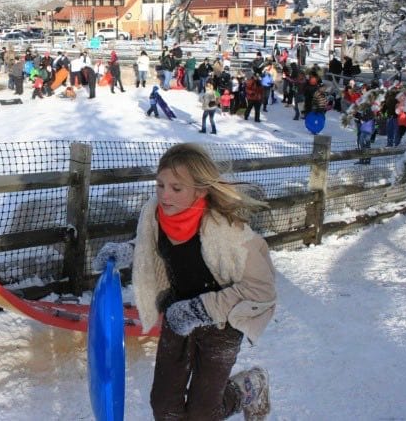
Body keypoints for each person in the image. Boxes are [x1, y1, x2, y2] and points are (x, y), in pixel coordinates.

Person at [92, 143, 275, 420]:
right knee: (164, 407)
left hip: (222, 326)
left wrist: (198, 310)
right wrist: (128, 251)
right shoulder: (156, 215)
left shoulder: (230, 233)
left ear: (200, 191)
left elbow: (261, 290)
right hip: (177, 318)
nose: (165, 195)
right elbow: (152, 246)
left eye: (176, 189)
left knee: (203, 413)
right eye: (160, 184)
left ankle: (249, 387)